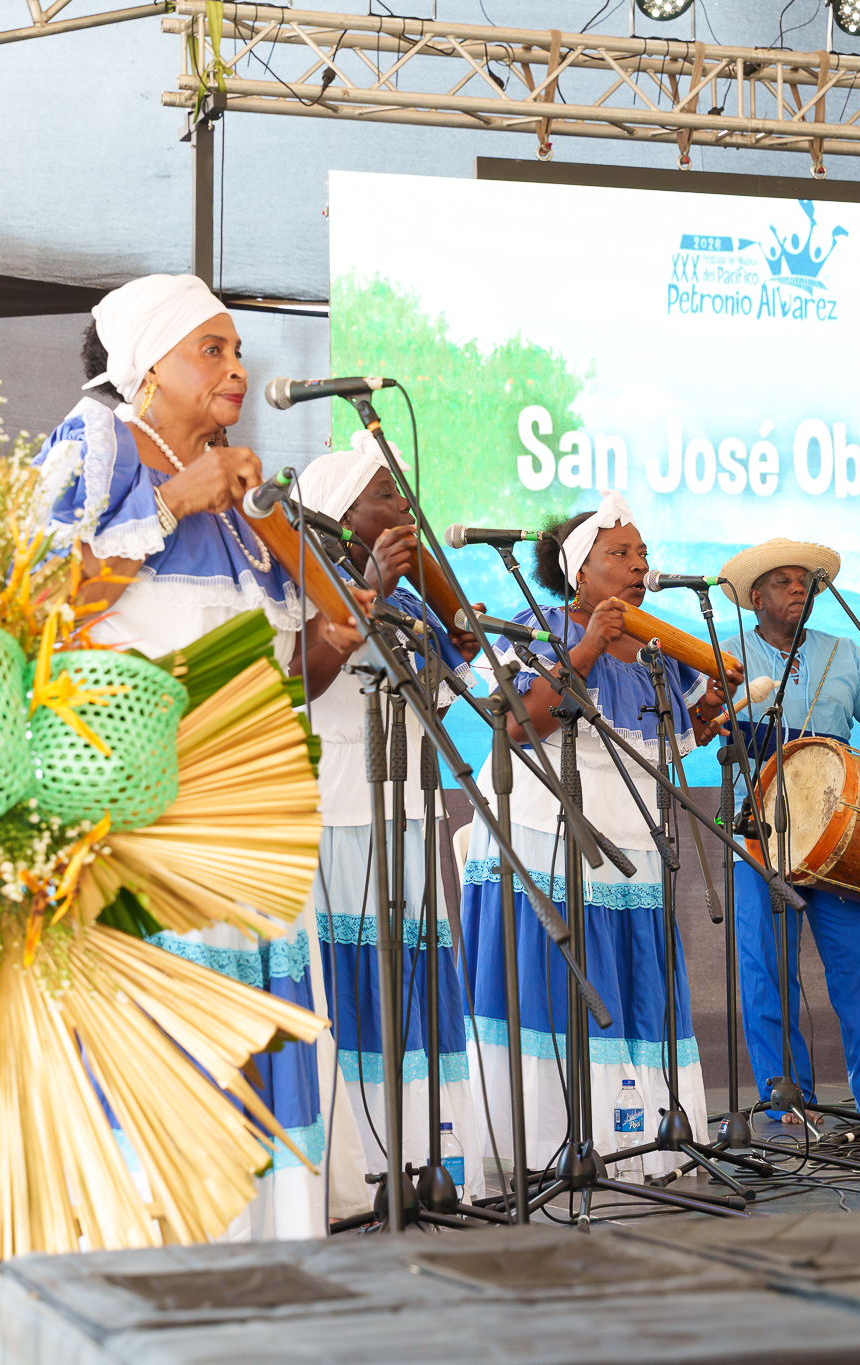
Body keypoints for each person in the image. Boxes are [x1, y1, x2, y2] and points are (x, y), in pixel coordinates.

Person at [35, 273, 368, 1238]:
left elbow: (279, 675)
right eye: (210, 349)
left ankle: (267, 1250)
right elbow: (34, 604)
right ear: (146, 369)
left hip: (251, 810)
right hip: (143, 809)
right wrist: (175, 497)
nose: (237, 365)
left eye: (235, 348)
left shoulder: (243, 491)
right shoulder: (96, 443)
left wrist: (333, 638)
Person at [459, 491, 731, 1179]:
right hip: (547, 834)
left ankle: (634, 1142)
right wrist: (586, 647)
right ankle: (552, 1143)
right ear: (580, 571)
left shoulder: (660, 651)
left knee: (632, 988)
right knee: (557, 987)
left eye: (642, 553)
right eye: (620, 553)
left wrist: (714, 704)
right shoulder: (538, 625)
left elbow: (677, 739)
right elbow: (519, 724)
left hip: (633, 843)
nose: (639, 564)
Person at [292, 432, 490, 1199]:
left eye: (406, 499)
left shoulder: (412, 601)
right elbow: (300, 678)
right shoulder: (305, 580)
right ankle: (358, 1170)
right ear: (343, 514)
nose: (404, 511)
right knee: (350, 984)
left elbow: (464, 685)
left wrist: (462, 631)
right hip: (334, 803)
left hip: (408, 804)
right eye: (386, 498)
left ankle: (420, 1155)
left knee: (410, 981)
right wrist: (366, 583)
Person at [715, 539, 860, 1120]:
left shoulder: (846, 654)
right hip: (760, 834)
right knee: (765, 974)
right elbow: (709, 726)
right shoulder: (728, 655)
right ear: (755, 598)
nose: (798, 588)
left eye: (805, 580)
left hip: (837, 833)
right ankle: (787, 1105)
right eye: (783, 581)